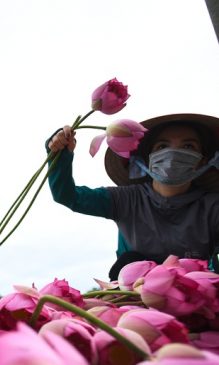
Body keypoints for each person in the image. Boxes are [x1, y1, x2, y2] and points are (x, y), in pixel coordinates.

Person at [46, 113, 219, 280]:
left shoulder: (213, 206)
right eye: (162, 147)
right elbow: (68, 196)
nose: (173, 154)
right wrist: (60, 155)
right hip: (133, 295)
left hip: (195, 292)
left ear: (203, 161)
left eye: (188, 146)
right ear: (149, 158)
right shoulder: (126, 199)